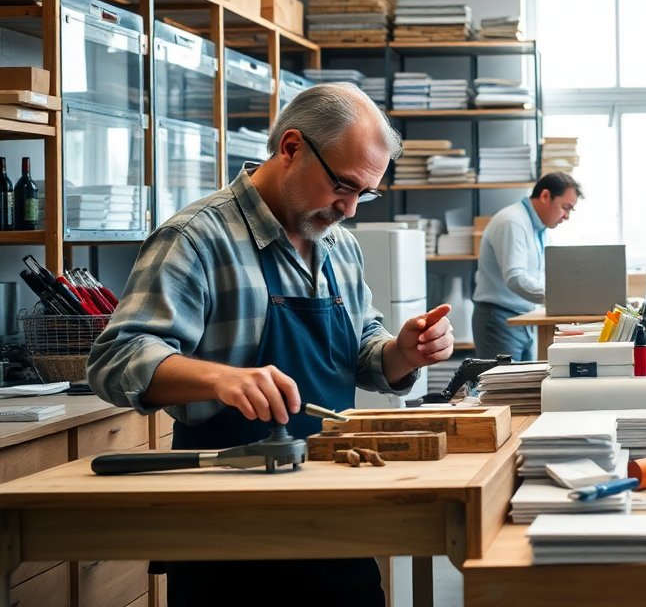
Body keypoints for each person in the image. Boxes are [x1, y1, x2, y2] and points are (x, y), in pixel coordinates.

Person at [86, 83, 457, 604]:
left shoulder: (339, 248)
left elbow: (364, 348)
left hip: (333, 513)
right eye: (344, 186)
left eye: (364, 194)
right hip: (227, 529)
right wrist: (221, 379)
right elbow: (115, 358)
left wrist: (403, 351)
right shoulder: (197, 238)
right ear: (290, 148)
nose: (350, 209)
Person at [473, 172, 582, 361]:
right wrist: (560, 298)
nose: (567, 217)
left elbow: (549, 273)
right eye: (565, 207)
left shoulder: (541, 230)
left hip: (525, 319)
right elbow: (515, 278)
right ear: (546, 196)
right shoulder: (512, 221)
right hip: (500, 320)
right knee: (503, 389)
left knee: (524, 387)